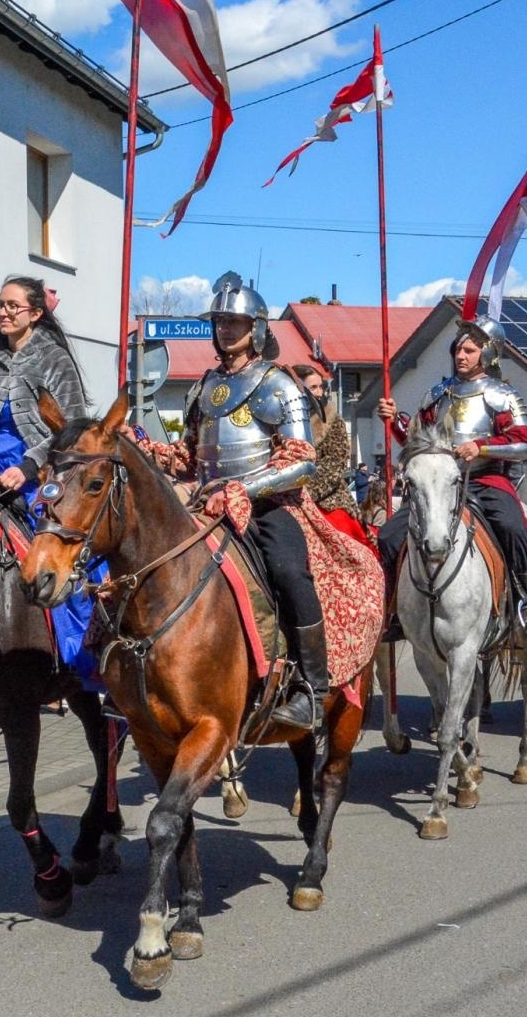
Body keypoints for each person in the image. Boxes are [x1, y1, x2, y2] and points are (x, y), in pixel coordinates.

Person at [141, 272, 329, 729]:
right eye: (220, 322)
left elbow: (303, 460)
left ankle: (311, 689)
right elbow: (189, 456)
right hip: (206, 504)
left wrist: (244, 488)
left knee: (288, 571)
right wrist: (144, 449)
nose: (225, 329)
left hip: (267, 506)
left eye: (235, 322)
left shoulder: (279, 385)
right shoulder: (204, 385)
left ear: (256, 328)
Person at [0, 274, 93, 754]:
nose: (4, 312)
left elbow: (72, 428)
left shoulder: (54, 359)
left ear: (36, 313)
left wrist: (29, 466)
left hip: (36, 475)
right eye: (0, 305)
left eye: (13, 305)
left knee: (59, 552)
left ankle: (78, 655)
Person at [380, 315, 527, 632]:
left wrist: (481, 448)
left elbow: (524, 445)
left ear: (488, 353)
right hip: (439, 483)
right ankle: (393, 608)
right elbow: (418, 441)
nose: (461, 355)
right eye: (458, 349)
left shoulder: (502, 395)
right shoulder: (438, 393)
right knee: (388, 536)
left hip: (485, 481)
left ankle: (526, 603)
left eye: (469, 350)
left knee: (513, 528)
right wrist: (393, 422)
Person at [297, 365, 362, 532]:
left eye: (321, 387)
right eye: (313, 387)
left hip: (327, 498)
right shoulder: (282, 421)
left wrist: (305, 494)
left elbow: (335, 465)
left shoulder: (333, 421)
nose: (319, 393)